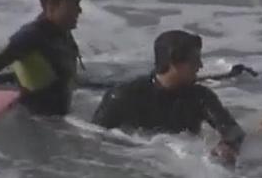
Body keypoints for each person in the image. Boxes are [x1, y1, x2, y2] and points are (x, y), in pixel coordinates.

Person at [91, 30, 245, 164]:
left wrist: (227, 145)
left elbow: (233, 131)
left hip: (179, 169)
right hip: (135, 162)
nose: (200, 66)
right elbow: (93, 138)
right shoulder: (123, 96)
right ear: (174, 63)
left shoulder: (200, 97)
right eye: (194, 60)